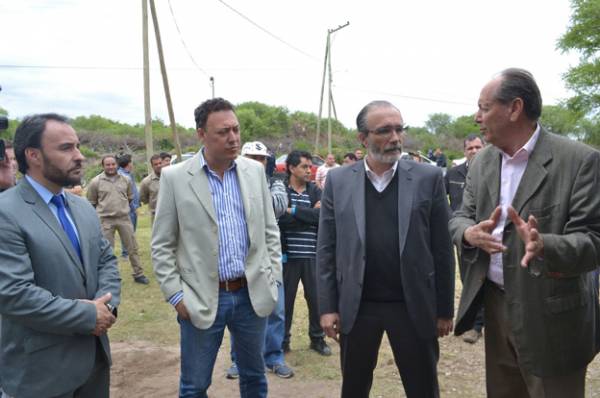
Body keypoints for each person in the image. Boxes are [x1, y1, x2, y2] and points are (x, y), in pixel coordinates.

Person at [449, 68, 600, 398]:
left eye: (484, 108)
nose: (477, 117)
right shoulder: (483, 162)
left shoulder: (580, 161)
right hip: (496, 304)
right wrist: (468, 233)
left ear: (515, 108)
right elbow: (460, 216)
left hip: (552, 314)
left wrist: (545, 244)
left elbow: (592, 241)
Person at [317, 100, 455, 398]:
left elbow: (442, 248)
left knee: (422, 387)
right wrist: (327, 306)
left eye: (399, 129)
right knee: (354, 387)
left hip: (412, 305)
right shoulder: (339, 181)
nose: (395, 138)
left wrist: (444, 309)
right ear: (362, 138)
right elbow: (327, 247)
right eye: (384, 131)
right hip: (358, 305)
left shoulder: (427, 178)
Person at [152, 98, 282, 398]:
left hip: (251, 294)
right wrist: (176, 295)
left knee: (254, 378)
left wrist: (272, 276)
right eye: (223, 132)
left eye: (236, 129)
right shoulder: (175, 178)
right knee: (194, 385)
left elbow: (268, 231)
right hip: (200, 296)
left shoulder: (253, 172)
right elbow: (161, 244)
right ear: (201, 134)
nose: (233, 138)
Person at [0, 113, 121, 398]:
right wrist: (87, 315)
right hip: (40, 373)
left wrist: (108, 306)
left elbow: (106, 262)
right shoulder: (6, 212)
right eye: (66, 148)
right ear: (33, 155)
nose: (79, 156)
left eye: (77, 146)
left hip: (94, 364)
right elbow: (13, 293)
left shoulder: (83, 208)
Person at [226, 141, 293, 380]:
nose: (256, 163)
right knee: (240, 314)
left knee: (276, 310)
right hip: (241, 262)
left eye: (261, 158)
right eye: (251, 158)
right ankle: (238, 360)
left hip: (269, 260)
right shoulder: (230, 182)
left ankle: (274, 357)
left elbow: (278, 206)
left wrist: (258, 191)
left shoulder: (275, 182)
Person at [279, 150, 331, 356]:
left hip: (312, 255)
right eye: (304, 166)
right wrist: (307, 215)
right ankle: (282, 341)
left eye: (310, 167)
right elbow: (279, 219)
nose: (309, 170)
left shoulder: (315, 191)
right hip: (288, 256)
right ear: (291, 168)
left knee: (316, 299)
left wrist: (292, 211)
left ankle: (317, 339)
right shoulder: (281, 190)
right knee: (285, 302)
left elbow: (321, 216)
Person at [444, 134, 485, 344]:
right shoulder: (453, 174)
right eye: (470, 148)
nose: (474, 151)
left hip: (487, 235)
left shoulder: (492, 171)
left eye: (478, 147)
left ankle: (480, 325)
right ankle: (473, 324)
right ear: (464, 151)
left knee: (487, 278)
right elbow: (441, 200)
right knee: (468, 279)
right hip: (463, 236)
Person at [87, 155, 149, 285]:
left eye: (113, 164)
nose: (110, 167)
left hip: (124, 219)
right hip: (105, 220)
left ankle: (138, 274)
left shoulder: (126, 180)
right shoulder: (95, 182)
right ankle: (109, 277)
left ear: (117, 165)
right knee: (106, 251)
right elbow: (92, 202)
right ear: (103, 166)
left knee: (132, 248)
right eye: (107, 165)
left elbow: (130, 197)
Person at [117, 154, 140, 258]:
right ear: (128, 163)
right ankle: (125, 253)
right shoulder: (122, 176)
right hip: (128, 208)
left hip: (133, 207)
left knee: (131, 230)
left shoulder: (129, 174)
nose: (132, 164)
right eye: (131, 161)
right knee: (126, 231)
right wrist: (133, 207)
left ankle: (131, 249)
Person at [139, 154, 163, 225]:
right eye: (156, 164)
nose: (159, 166)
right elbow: (143, 198)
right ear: (152, 166)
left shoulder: (170, 177)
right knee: (158, 235)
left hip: (171, 212)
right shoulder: (146, 182)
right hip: (156, 214)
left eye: (160, 163)